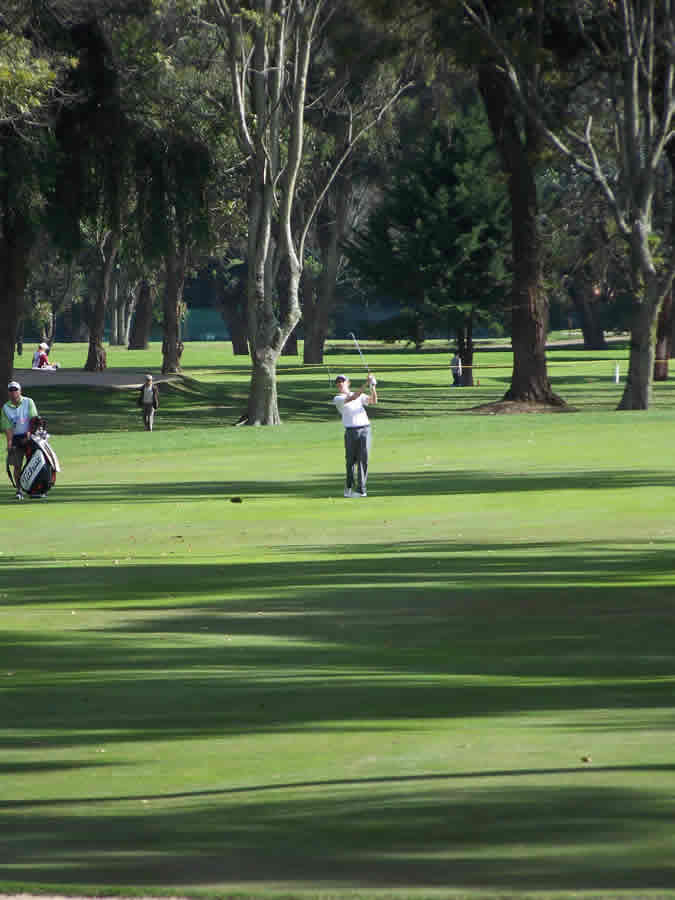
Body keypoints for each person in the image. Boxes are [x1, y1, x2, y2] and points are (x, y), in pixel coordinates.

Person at [333, 373, 377, 498]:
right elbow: (353, 397)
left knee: (363, 459)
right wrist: (366, 383)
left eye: (342, 381)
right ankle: (349, 488)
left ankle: (361, 490)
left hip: (365, 429)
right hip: (351, 431)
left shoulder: (359, 395)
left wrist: (373, 386)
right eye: (338, 382)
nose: (340, 384)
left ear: (348, 383)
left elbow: (374, 400)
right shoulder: (338, 398)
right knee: (350, 461)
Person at [2, 381, 38, 500]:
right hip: (16, 438)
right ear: (8, 393)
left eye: (15, 390)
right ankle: (19, 490)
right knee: (17, 466)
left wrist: (29, 434)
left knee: (34, 463)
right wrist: (9, 443)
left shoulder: (28, 402)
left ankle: (36, 489)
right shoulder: (6, 408)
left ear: (20, 391)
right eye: (11, 390)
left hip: (30, 436)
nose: (13, 392)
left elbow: (33, 419)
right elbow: (8, 428)